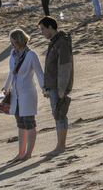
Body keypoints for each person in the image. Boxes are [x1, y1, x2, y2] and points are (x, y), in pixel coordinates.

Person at [2, 29, 45, 162]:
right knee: (20, 123)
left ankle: (28, 153)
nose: (12, 45)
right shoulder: (13, 54)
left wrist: (44, 89)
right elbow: (11, 72)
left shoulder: (31, 55)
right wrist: (6, 86)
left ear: (20, 41)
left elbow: (39, 73)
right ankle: (20, 153)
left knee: (29, 123)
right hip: (15, 94)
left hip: (28, 93)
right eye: (11, 42)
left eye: (14, 42)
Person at [38, 16, 74, 156]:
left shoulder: (61, 42)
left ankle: (61, 146)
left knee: (60, 114)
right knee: (57, 114)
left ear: (50, 27)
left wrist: (61, 89)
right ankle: (60, 145)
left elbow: (65, 67)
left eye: (42, 29)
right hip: (53, 85)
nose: (42, 33)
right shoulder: (55, 42)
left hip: (59, 86)